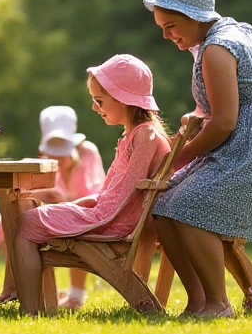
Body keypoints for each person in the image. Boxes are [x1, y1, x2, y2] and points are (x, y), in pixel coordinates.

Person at [144, 0, 252, 319]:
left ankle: (218, 303)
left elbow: (225, 122)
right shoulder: (231, 33)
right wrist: (195, 117)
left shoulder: (217, 48)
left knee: (189, 209)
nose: (167, 36)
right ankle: (197, 301)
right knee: (163, 207)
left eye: (171, 26)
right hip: (240, 144)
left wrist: (182, 155)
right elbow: (220, 105)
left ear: (193, 16)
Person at [10, 55, 170, 315]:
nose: (95, 107)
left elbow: (125, 193)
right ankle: (20, 296)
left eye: (99, 100)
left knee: (27, 222)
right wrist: (86, 203)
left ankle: (28, 310)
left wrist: (89, 213)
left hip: (112, 223)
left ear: (123, 98)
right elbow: (116, 190)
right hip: (110, 216)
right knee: (31, 214)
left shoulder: (144, 135)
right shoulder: (138, 134)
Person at [0, 106, 106, 308]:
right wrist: (47, 196)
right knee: (11, 215)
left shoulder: (87, 154)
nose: (57, 157)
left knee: (76, 226)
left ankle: (76, 293)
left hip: (82, 215)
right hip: (51, 216)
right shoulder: (43, 158)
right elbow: (30, 191)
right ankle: (14, 286)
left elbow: (96, 194)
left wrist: (67, 198)